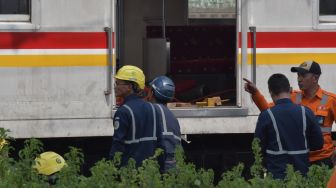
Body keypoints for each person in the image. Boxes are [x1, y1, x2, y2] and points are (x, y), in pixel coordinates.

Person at [245, 60, 336, 167]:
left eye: (303, 75)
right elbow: (269, 111)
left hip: (323, 158)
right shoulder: (293, 96)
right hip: (299, 157)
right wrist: (255, 93)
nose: (299, 79)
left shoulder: (330, 100)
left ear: (315, 78)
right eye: (298, 75)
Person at [255, 73, 323, 179]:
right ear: (290, 90)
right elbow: (318, 144)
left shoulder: (266, 115)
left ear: (271, 92)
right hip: (302, 175)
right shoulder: (306, 112)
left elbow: (258, 148)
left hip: (276, 176)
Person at [109, 65, 159, 167]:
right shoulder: (153, 108)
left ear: (130, 87)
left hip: (130, 169)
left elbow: (118, 145)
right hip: (150, 168)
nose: (115, 87)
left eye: (118, 83)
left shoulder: (123, 112)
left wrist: (112, 167)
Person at [148, 76, 182, 173]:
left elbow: (163, 144)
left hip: (163, 167)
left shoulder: (153, 111)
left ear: (152, 92)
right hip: (173, 166)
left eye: (150, 90)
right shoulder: (172, 116)